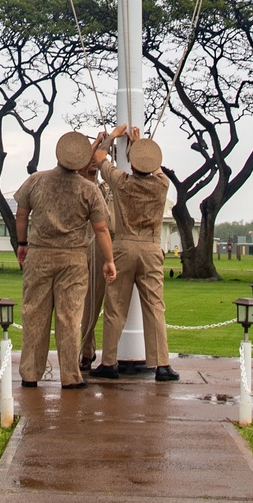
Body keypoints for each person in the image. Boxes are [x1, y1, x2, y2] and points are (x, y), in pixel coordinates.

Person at [14, 130, 116, 389]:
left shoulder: (36, 180)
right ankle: (70, 376)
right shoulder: (89, 190)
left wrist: (22, 243)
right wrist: (109, 260)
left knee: (34, 314)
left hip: (39, 254)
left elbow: (22, 215)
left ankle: (30, 373)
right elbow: (102, 229)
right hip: (73, 259)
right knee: (69, 317)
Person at [90, 126, 180, 382]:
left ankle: (109, 362)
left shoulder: (120, 181)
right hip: (151, 247)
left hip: (124, 246)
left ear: (131, 162)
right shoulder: (162, 184)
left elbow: (99, 158)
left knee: (115, 307)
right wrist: (139, 144)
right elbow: (156, 167)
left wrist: (113, 136)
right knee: (154, 306)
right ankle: (162, 364)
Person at [80, 131, 114, 370]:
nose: (92, 161)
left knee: (98, 303)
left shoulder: (106, 188)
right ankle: (85, 349)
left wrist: (109, 140)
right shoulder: (76, 183)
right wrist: (96, 144)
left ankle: (90, 351)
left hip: (104, 248)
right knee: (82, 303)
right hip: (81, 247)